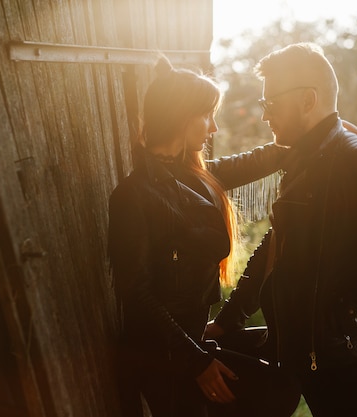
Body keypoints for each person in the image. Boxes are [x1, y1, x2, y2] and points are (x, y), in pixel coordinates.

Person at [205, 42, 357, 417]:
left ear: (308, 100)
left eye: (271, 105)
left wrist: (344, 310)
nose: (265, 117)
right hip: (310, 350)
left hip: (350, 360)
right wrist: (230, 321)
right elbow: (278, 246)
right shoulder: (302, 155)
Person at [108, 56, 301, 417]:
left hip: (192, 338)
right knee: (273, 393)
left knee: (286, 367)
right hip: (162, 351)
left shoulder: (193, 175)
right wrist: (196, 360)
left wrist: (318, 138)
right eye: (206, 116)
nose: (213, 128)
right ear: (182, 118)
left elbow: (249, 163)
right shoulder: (133, 196)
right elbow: (135, 294)